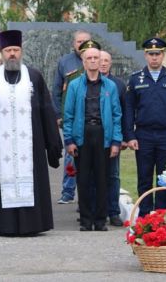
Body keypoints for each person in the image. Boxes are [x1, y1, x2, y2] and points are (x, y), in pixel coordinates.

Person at [0, 30, 63, 236]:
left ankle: (31, 224)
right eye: (8, 50)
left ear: (21, 51)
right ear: (2, 52)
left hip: (29, 146)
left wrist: (52, 144)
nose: (12, 54)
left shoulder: (34, 76)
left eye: (16, 50)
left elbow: (46, 110)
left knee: (30, 178)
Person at [125, 37, 166, 217]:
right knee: (144, 177)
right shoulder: (136, 79)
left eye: (158, 54)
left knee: (165, 179)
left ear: (163, 55)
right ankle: (145, 216)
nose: (154, 57)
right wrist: (130, 135)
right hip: (143, 135)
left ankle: (161, 215)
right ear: (145, 55)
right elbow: (129, 110)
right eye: (151, 54)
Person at [63, 42, 122, 231]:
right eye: (89, 58)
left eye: (96, 58)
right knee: (84, 179)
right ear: (83, 61)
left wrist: (116, 141)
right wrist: (69, 140)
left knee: (102, 178)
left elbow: (116, 115)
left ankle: (100, 219)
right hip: (83, 135)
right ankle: (86, 219)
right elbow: (69, 115)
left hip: (103, 135)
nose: (94, 61)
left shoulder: (110, 86)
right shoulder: (74, 85)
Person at [52, 30, 92, 204]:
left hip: (92, 118)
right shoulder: (65, 62)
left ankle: (90, 194)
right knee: (71, 157)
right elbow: (56, 89)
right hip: (72, 118)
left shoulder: (96, 59)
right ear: (73, 43)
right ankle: (68, 192)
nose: (81, 44)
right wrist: (58, 114)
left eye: (85, 41)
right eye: (78, 41)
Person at [99, 50, 127, 227]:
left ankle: (113, 211)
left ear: (110, 64)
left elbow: (123, 112)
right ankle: (95, 211)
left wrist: (122, 137)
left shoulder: (118, 85)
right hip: (92, 136)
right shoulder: (84, 82)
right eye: (99, 60)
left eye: (106, 61)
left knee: (113, 175)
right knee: (93, 176)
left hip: (113, 138)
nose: (102, 63)